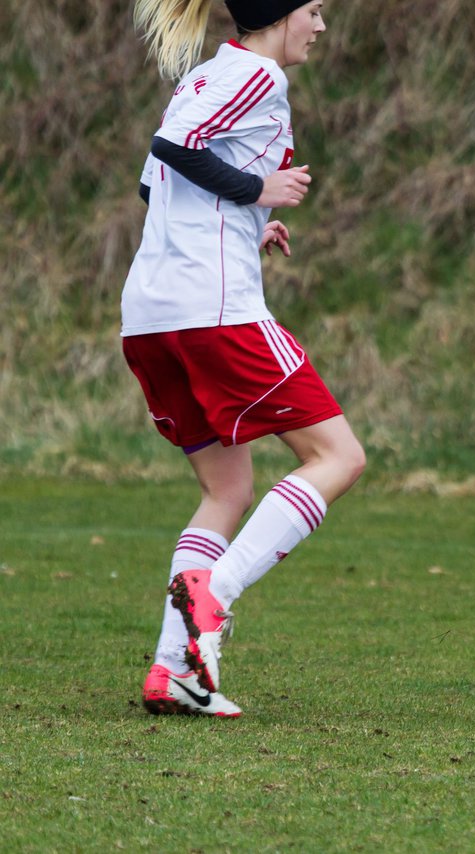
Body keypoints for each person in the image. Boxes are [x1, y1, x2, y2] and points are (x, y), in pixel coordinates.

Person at [125, 0, 364, 717]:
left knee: (226, 490)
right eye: (314, 11)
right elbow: (173, 147)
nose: (321, 26)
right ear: (278, 15)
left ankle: (176, 672)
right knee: (338, 457)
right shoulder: (260, 75)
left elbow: (154, 185)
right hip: (214, 311)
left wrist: (245, 222)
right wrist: (259, 191)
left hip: (150, 315)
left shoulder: (207, 75)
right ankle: (214, 596)